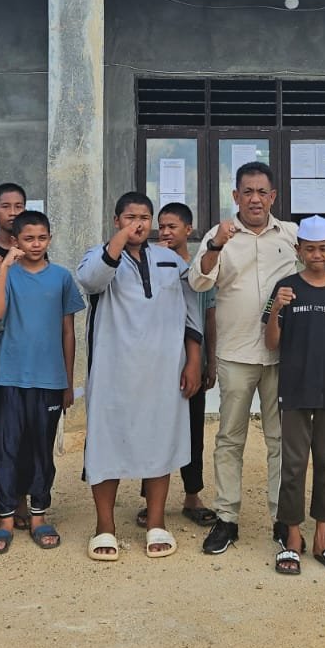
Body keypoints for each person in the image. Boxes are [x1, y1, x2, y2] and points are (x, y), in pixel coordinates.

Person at [76, 192, 203, 562]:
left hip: (163, 371)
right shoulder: (98, 256)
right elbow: (91, 281)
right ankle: (105, 526)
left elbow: (191, 311)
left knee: (160, 440)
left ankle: (157, 523)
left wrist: (193, 361)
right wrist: (118, 242)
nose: (139, 223)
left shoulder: (170, 260)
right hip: (113, 371)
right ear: (116, 220)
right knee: (106, 444)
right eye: (131, 217)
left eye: (145, 217)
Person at [188, 161, 298, 555]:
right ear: (235, 196)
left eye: (261, 192)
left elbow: (320, 273)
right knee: (230, 438)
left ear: (273, 196)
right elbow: (198, 280)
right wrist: (216, 245)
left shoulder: (291, 235)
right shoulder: (219, 235)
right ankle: (226, 519)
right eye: (247, 192)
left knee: (281, 440)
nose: (255, 199)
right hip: (236, 353)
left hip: (283, 354)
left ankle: (283, 519)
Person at [262, 216, 325, 576]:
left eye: (323, 249)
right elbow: (272, 342)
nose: (317, 255)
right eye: (310, 249)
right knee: (294, 464)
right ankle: (292, 537)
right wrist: (277, 309)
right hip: (295, 389)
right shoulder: (285, 287)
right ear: (298, 250)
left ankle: (322, 537)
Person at [0, 209, 83, 551]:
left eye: (42, 238)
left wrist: (68, 381)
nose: (36, 244)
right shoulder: (6, 275)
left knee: (42, 449)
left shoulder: (61, 277)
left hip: (49, 379)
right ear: (15, 241)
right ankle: (5, 517)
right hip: (9, 377)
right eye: (28, 239)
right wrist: (4, 268)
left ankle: (39, 514)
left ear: (50, 239)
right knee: (6, 448)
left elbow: (68, 331)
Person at [138, 202, 218, 528]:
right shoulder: (150, 263)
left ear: (189, 229)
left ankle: (192, 495)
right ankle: (150, 499)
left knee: (193, 429)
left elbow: (209, 316)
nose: (166, 232)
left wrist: (210, 362)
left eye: (173, 226)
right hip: (158, 362)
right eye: (162, 226)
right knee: (153, 429)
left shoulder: (202, 268)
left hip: (192, 362)